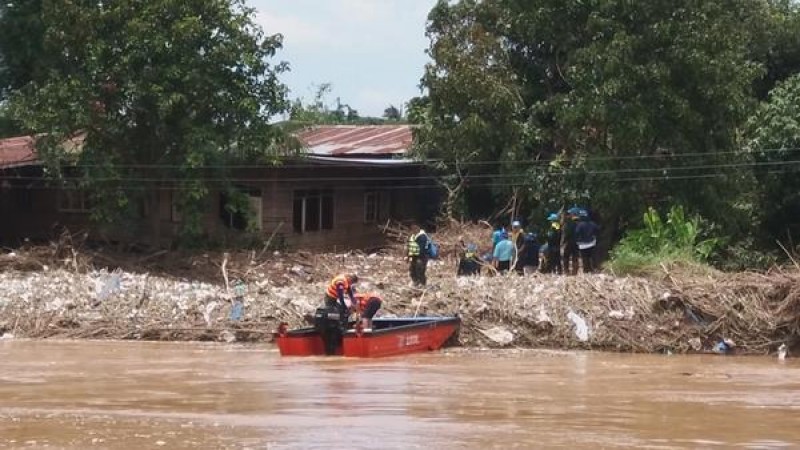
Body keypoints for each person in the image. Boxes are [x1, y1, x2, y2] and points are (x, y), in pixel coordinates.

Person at [562, 207, 580, 275]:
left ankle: (566, 271)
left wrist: (564, 241)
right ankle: (575, 272)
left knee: (566, 257)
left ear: (573, 214)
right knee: (575, 257)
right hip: (577, 242)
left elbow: (567, 232)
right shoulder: (579, 222)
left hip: (569, 242)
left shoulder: (569, 222)